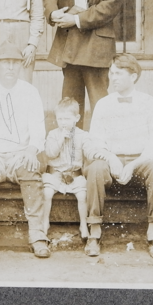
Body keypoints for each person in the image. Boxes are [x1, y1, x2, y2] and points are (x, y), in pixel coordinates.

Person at [85, 54, 153, 260]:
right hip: (111, 161)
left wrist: (133, 164)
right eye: (111, 73)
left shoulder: (149, 103)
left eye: (118, 74)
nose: (113, 78)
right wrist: (111, 158)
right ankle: (94, 233)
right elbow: (94, 142)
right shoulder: (103, 104)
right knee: (95, 168)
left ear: (133, 77)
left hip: (140, 161)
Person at [0, 42, 51, 258]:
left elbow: (38, 131)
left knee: (31, 166)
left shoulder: (30, 92)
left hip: (20, 153)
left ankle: (37, 235)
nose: (10, 68)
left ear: (21, 66)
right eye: (5, 63)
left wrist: (31, 151)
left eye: (15, 63)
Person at [42, 98, 101, 240]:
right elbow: (50, 153)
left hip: (74, 176)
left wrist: (95, 153)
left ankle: (83, 225)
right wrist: (61, 139)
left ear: (76, 118)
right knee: (47, 193)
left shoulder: (82, 135)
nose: (63, 122)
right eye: (60, 119)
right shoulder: (53, 134)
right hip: (55, 175)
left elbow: (88, 149)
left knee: (82, 195)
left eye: (67, 119)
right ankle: (44, 223)